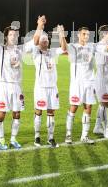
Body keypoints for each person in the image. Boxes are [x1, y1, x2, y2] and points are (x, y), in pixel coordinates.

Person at [60, 26, 108, 144]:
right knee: (73, 108)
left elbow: (107, 49)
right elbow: (63, 47)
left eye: (87, 34)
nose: (86, 36)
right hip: (77, 84)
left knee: (88, 108)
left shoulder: (92, 46)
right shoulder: (73, 46)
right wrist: (61, 34)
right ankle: (68, 134)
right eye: (83, 34)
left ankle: (85, 136)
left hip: (90, 82)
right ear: (78, 35)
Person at [0, 15, 34, 150]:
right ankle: (1, 140)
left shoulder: (20, 50)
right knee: (2, 114)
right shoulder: (0, 49)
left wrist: (39, 26)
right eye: (11, 34)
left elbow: (33, 42)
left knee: (17, 113)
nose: (14, 36)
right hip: (4, 85)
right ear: (6, 36)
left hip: (17, 86)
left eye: (15, 34)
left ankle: (13, 139)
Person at [30, 16, 65, 148]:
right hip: (40, 88)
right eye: (42, 40)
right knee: (38, 111)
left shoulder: (52, 52)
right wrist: (40, 25)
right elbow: (34, 40)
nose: (45, 42)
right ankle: (37, 137)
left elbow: (64, 48)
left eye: (46, 40)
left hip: (52, 88)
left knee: (51, 113)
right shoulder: (36, 53)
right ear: (39, 42)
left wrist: (61, 34)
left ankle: (50, 138)